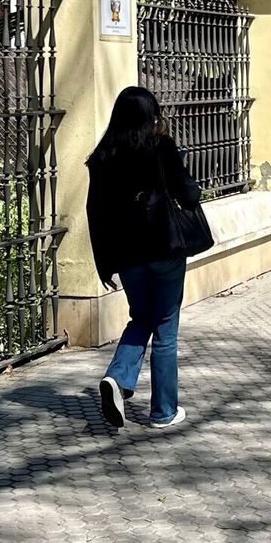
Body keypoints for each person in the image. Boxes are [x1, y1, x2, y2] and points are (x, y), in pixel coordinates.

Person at [86, 86, 201, 430]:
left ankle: (117, 377)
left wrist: (104, 264)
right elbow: (189, 194)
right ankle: (163, 411)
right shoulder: (161, 148)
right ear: (152, 116)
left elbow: (96, 213)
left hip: (126, 255)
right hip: (165, 249)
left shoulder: (102, 157)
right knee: (165, 325)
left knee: (141, 318)